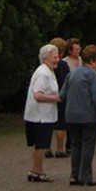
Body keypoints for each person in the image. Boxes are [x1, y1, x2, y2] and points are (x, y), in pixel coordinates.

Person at [60, 45, 96, 186]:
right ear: (93, 60)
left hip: (71, 115)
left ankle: (74, 175)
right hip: (88, 116)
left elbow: (62, 94)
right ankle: (85, 176)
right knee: (88, 145)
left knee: (75, 145)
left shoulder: (71, 74)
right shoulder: (93, 75)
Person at [23, 44, 61, 182]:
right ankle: (36, 171)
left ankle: (36, 170)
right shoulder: (43, 73)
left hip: (43, 115)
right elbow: (37, 95)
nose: (57, 60)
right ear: (46, 58)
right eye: (54, 57)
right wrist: (56, 98)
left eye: (58, 56)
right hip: (40, 117)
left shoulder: (49, 71)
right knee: (41, 145)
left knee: (40, 145)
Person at [48, 37, 72, 159]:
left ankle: (47, 148)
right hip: (60, 96)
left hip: (47, 95)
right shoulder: (62, 64)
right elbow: (66, 80)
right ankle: (59, 149)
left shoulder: (45, 63)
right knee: (61, 124)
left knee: (48, 122)